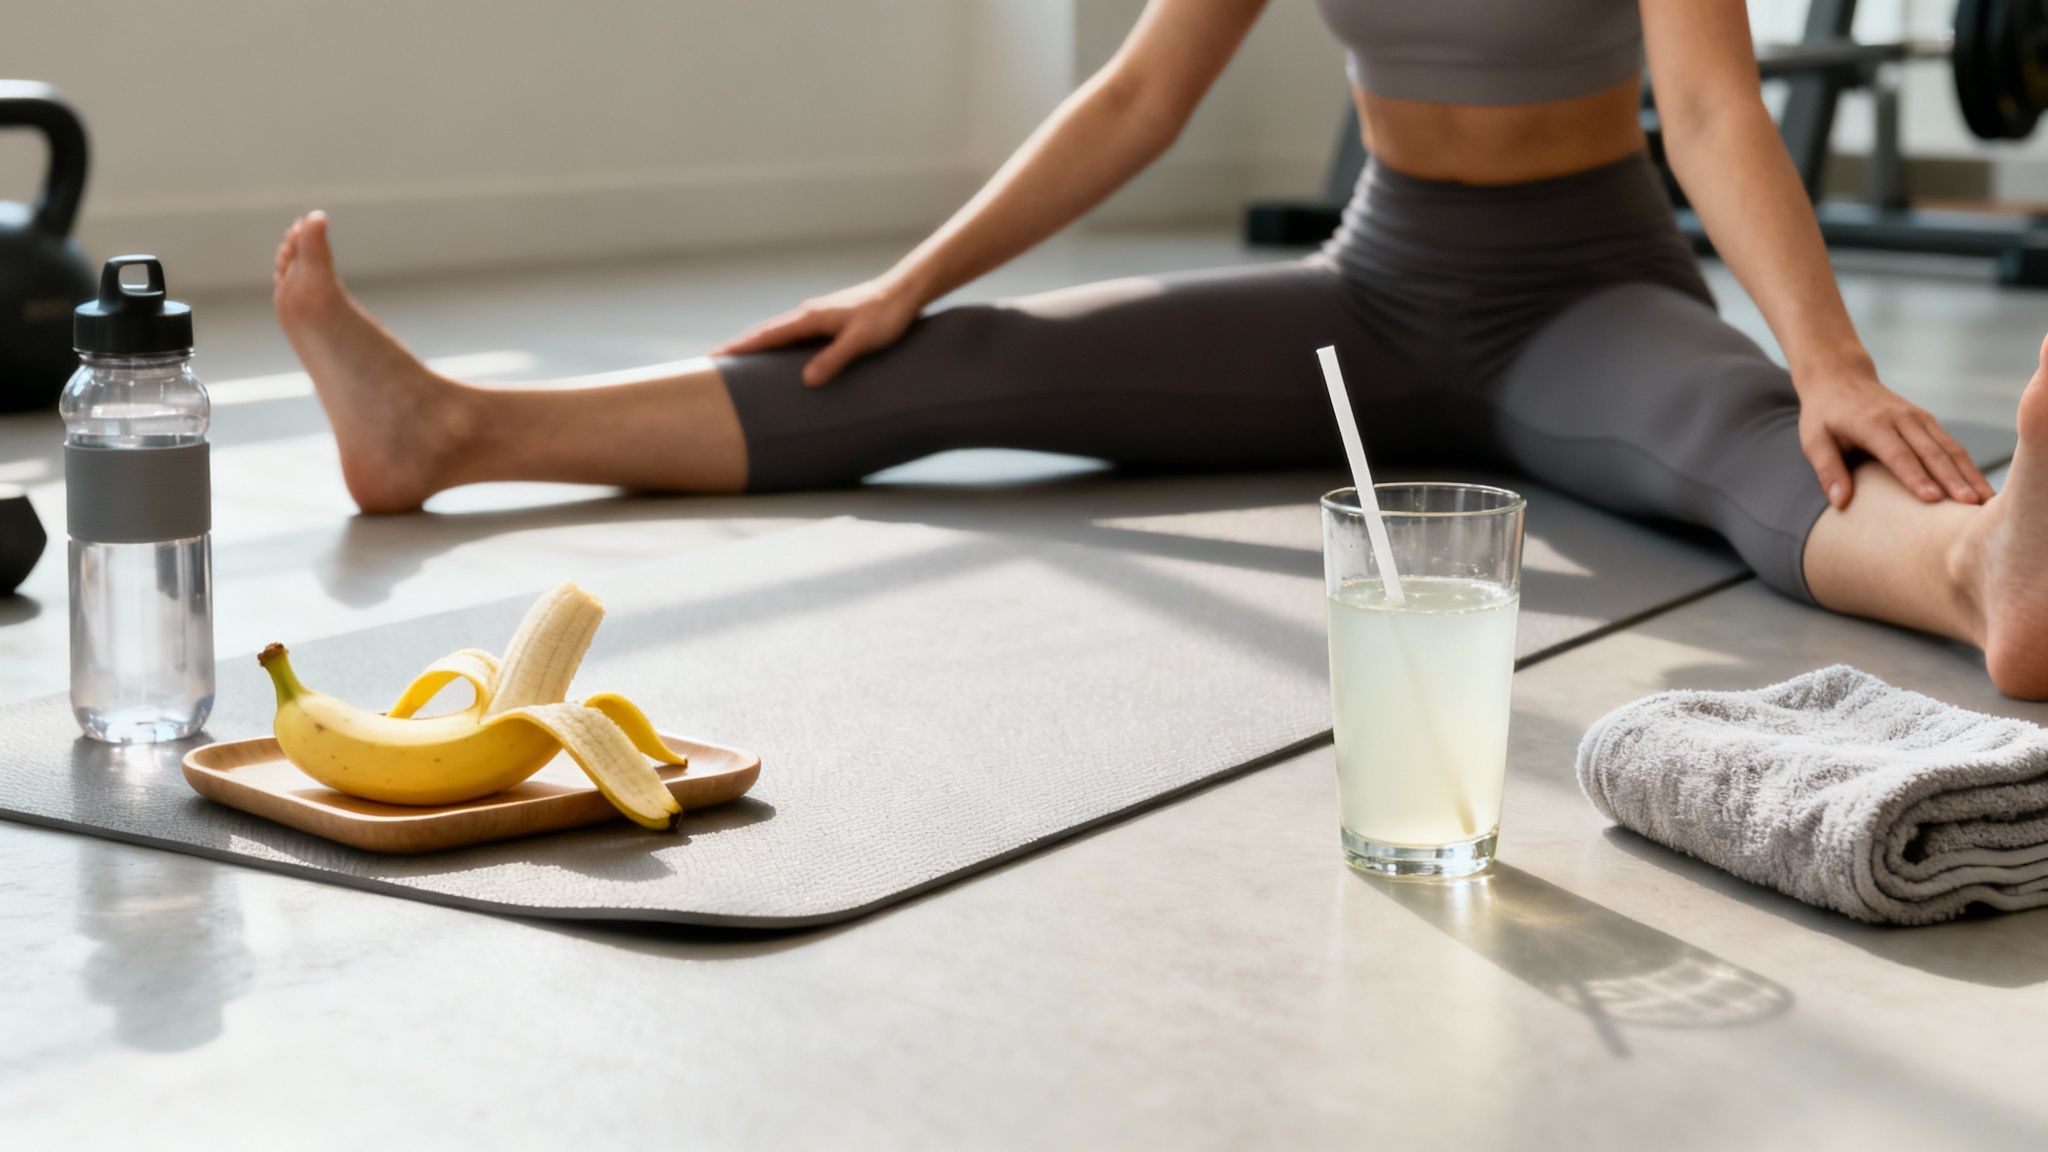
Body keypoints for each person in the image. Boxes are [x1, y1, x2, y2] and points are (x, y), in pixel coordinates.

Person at [269, 0, 2048, 699]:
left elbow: (1711, 105)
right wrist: (907, 277)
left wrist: (1824, 356)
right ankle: (451, 431)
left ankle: (1989, 570)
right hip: (1375, 285)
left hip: (1588, 292)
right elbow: (1138, 94)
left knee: (1761, 451)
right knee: (946, 369)